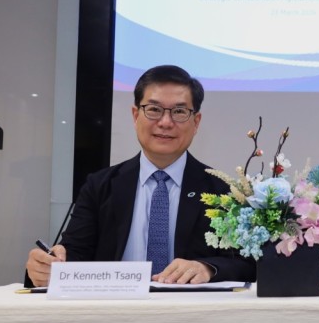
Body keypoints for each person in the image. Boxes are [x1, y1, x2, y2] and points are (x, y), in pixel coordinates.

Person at [25, 65, 254, 287]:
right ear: (136, 115)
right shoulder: (100, 186)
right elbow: (73, 255)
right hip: (115, 313)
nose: (165, 122)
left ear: (196, 122)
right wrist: (48, 268)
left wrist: (208, 268)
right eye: (154, 109)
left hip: (192, 316)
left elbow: (248, 264)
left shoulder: (222, 190)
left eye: (179, 112)